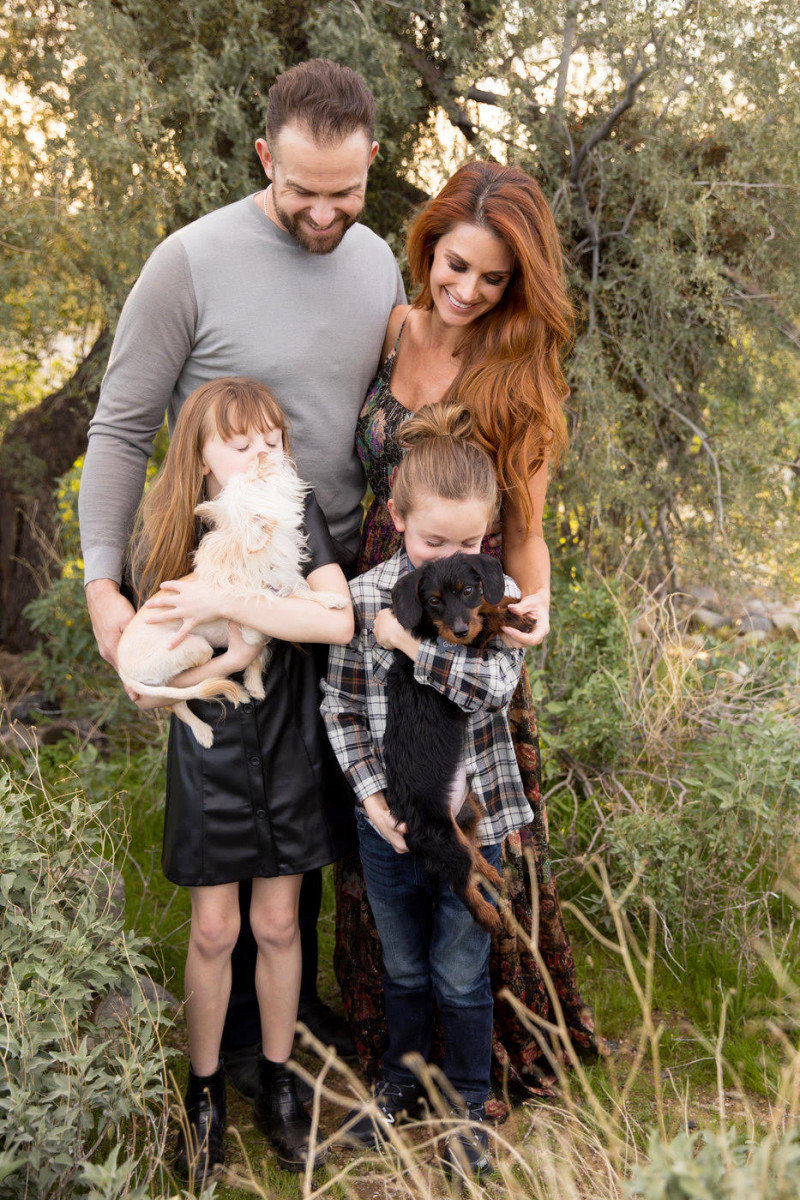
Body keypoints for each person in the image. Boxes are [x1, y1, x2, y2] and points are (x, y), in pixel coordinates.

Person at [78, 58, 406, 1088]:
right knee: (229, 814)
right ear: (264, 155)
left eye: (343, 193)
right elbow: (125, 427)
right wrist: (103, 584)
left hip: (325, 584)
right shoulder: (190, 261)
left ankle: (291, 1027)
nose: (321, 213)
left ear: (370, 166)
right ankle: (214, 1064)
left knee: (304, 813)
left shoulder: (378, 263)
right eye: (300, 189)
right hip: (215, 586)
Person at [335, 159, 600, 1105]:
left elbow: (524, 527)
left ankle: (479, 1071)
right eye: (456, 265)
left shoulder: (515, 364)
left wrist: (532, 613)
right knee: (385, 820)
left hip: (461, 623)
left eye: (493, 279)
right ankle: (392, 1049)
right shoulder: (393, 326)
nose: (468, 291)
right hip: (376, 599)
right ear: (428, 244)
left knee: (469, 832)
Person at [134, 377, 354, 1180]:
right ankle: (204, 1096)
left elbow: (336, 618)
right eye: (240, 442)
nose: (263, 453)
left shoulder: (301, 520)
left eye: (272, 438)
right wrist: (215, 651)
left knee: (280, 925)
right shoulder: (167, 537)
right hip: (212, 748)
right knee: (214, 931)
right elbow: (147, 670)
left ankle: (279, 1086)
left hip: (291, 739)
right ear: (200, 461)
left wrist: (233, 604)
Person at [320, 404, 530, 1177]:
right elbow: (339, 706)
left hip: (475, 827)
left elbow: (492, 688)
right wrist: (371, 799)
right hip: (391, 826)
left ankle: (469, 1103)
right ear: (396, 516)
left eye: (469, 544)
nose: (451, 557)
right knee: (404, 966)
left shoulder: (491, 598)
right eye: (433, 540)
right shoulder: (365, 595)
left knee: (459, 969)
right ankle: (399, 1083)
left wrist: (409, 644)